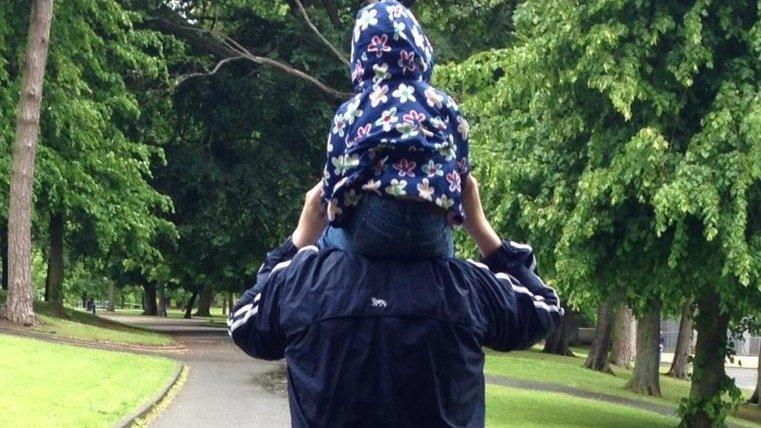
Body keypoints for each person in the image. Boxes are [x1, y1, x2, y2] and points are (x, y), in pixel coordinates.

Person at [229, 176, 561, 427]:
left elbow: (244, 321)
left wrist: (300, 239)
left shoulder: (305, 281)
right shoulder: (466, 288)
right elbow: (544, 307)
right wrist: (480, 228)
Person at [320, 0, 469, 260]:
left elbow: (332, 182)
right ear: (420, 47)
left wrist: (337, 214)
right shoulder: (443, 104)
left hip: (373, 227)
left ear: (362, 55)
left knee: (325, 243)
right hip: (430, 230)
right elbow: (462, 169)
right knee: (447, 252)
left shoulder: (353, 109)